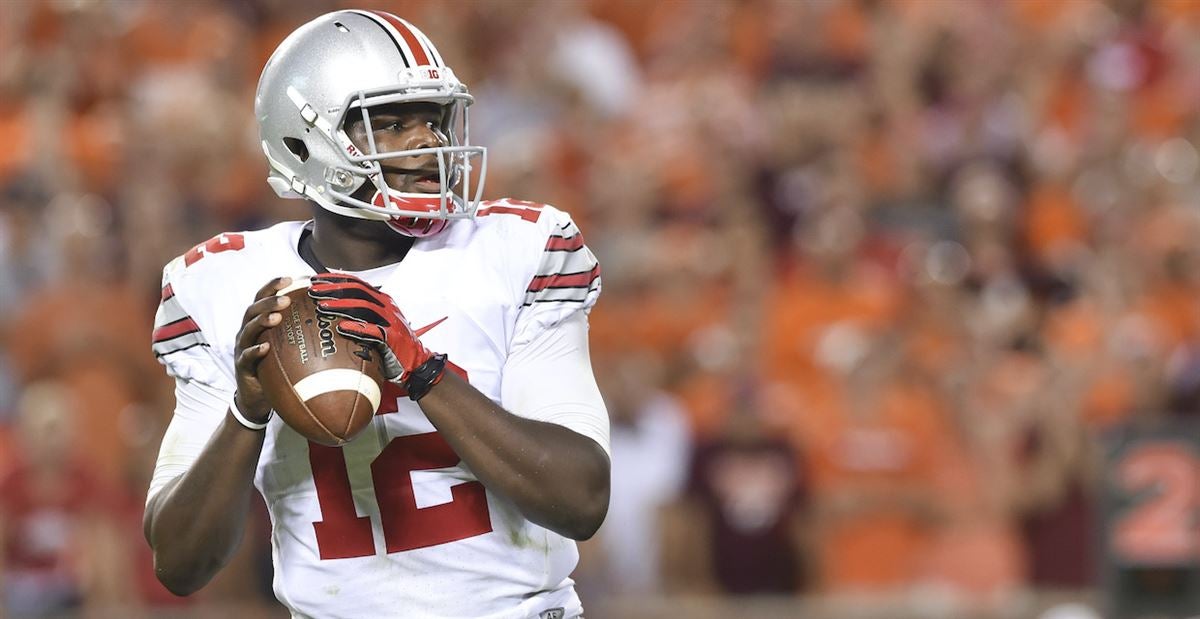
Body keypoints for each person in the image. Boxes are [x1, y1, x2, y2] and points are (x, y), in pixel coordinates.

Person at [142, 10, 610, 619]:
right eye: (390, 124)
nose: (427, 142)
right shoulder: (221, 284)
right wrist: (246, 413)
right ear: (304, 142)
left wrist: (424, 372)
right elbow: (179, 563)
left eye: (433, 120)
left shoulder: (517, 249)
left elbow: (581, 498)